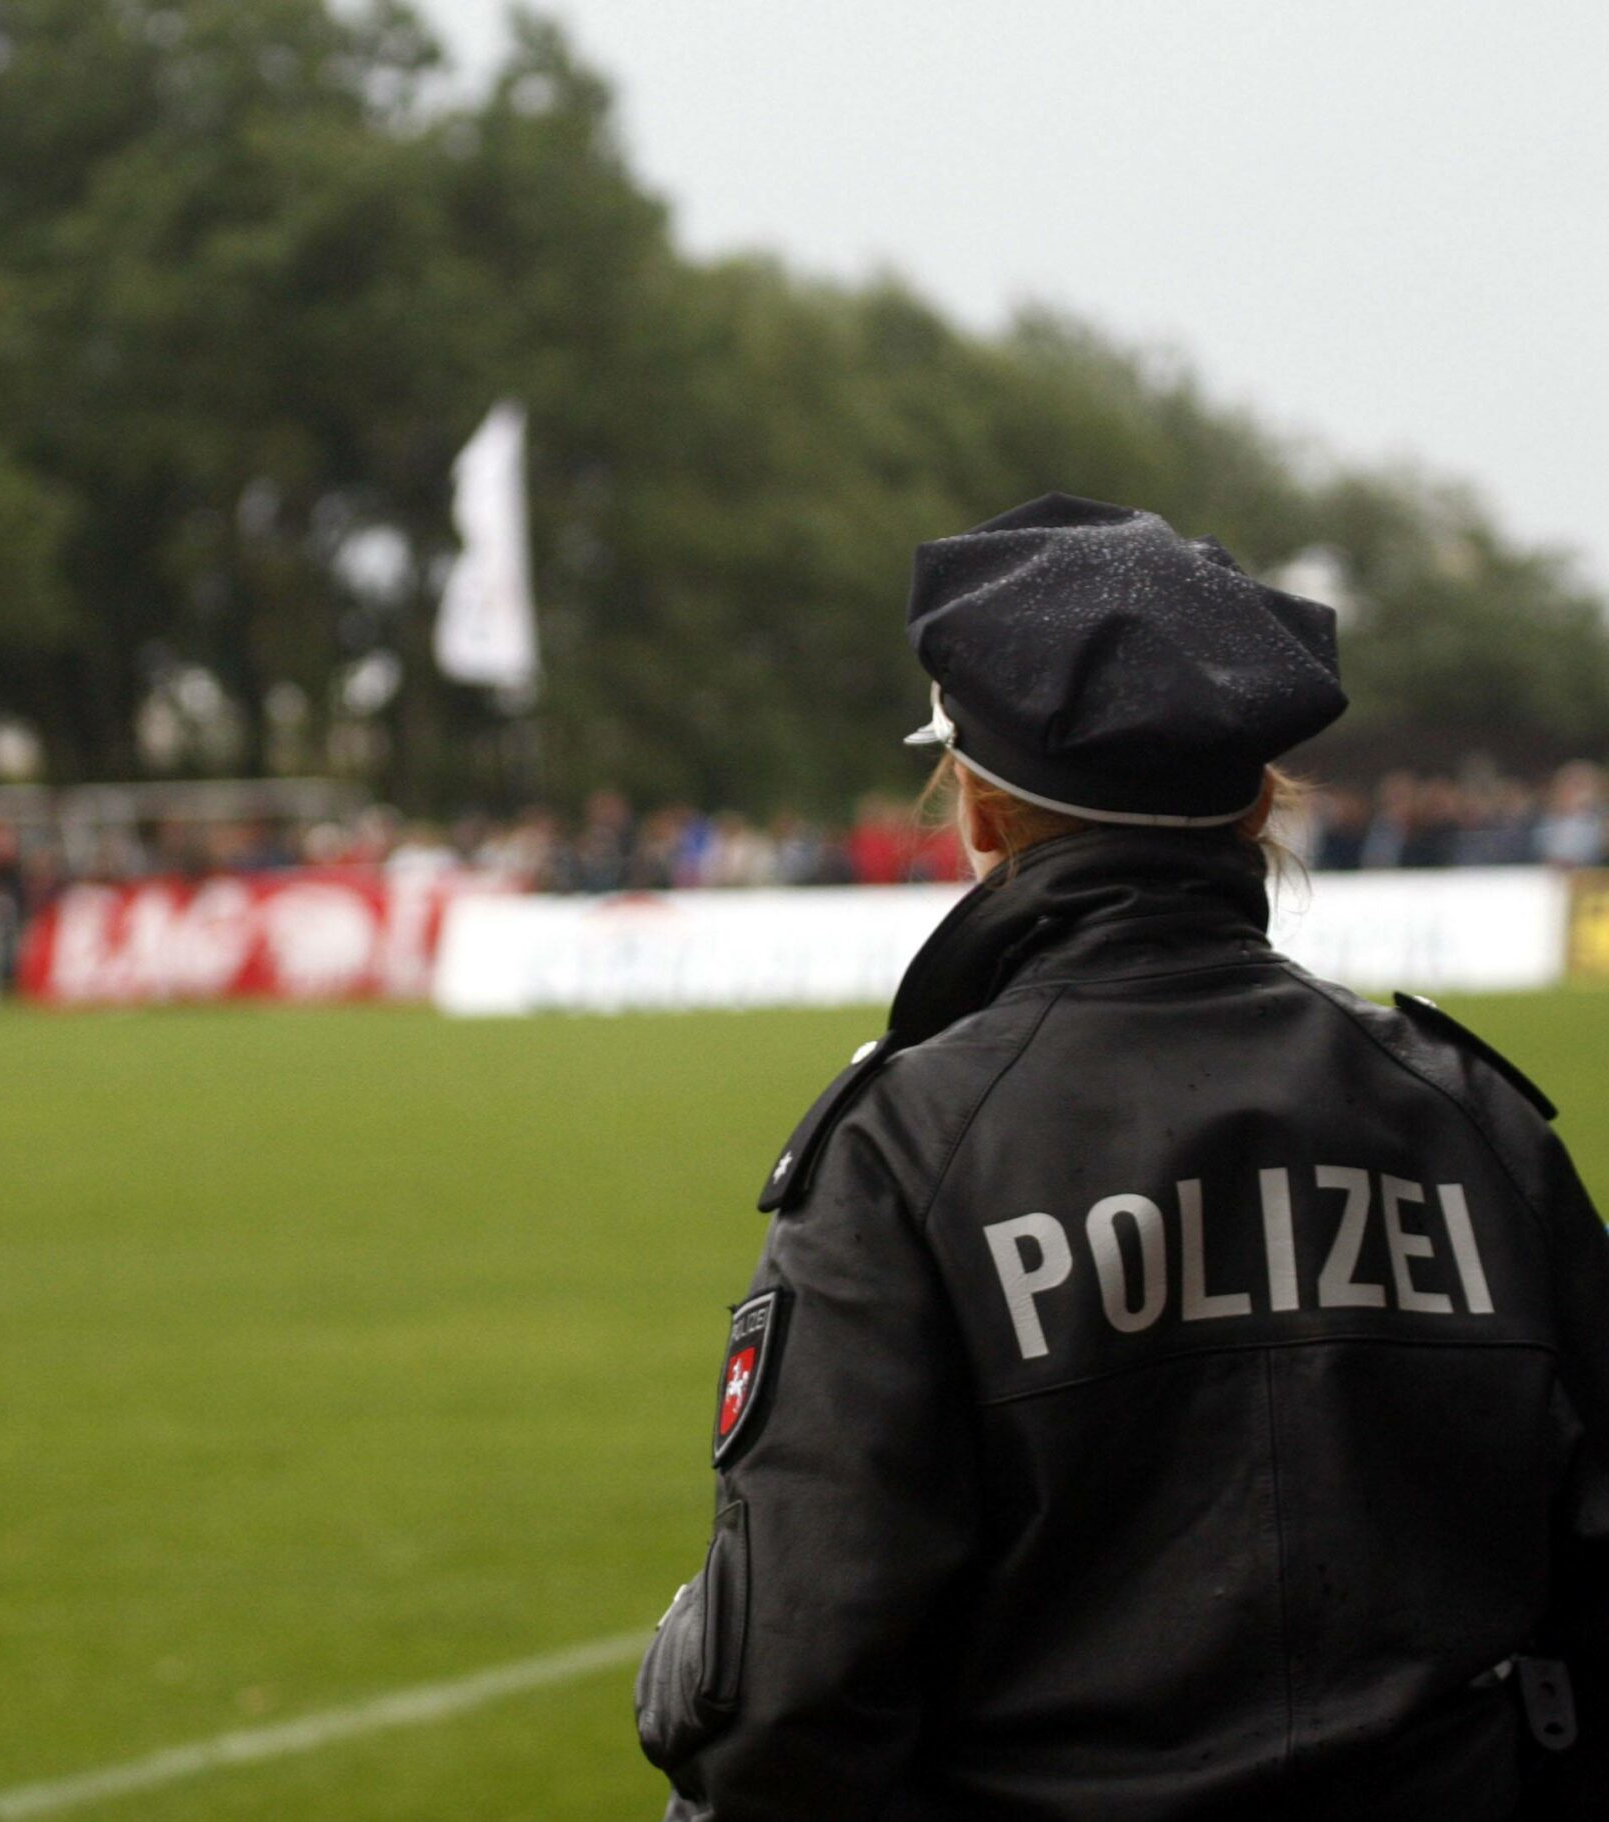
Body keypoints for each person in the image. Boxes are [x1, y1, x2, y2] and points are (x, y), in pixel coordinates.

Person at [636, 495, 1609, 1820]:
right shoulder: (1470, 1114)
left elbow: (793, 1705)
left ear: (973, 803)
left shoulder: (905, 1151)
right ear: (1262, 795)